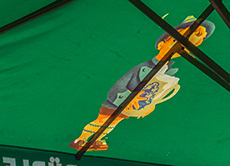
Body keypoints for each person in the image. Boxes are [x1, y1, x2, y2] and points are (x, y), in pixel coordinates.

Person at [70, 15, 214, 152]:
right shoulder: (146, 67)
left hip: (131, 108)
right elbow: (121, 84)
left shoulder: (167, 71)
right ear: (163, 42)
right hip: (117, 102)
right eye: (175, 43)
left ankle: (96, 141)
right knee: (101, 121)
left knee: (111, 125)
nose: (179, 49)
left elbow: (155, 93)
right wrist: (126, 98)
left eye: (186, 47)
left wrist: (147, 107)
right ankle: (80, 140)